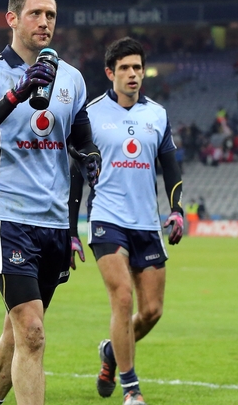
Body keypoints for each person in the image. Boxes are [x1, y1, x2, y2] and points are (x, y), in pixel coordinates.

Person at [0, 0, 100, 405]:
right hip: (7, 216)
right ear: (12, 19)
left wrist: (90, 158)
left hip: (52, 223)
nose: (45, 22)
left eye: (51, 15)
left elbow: (82, 139)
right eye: (36, 13)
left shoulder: (71, 78)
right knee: (32, 333)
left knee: (17, 335)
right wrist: (17, 94)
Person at [68, 37, 184, 405]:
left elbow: (170, 165)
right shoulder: (89, 114)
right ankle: (131, 387)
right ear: (110, 73)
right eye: (125, 69)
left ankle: (110, 352)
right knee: (122, 298)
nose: (133, 74)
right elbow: (74, 174)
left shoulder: (157, 115)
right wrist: (71, 231)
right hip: (106, 217)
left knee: (151, 311)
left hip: (147, 223)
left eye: (138, 68)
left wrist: (177, 208)